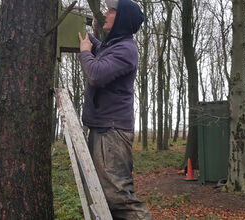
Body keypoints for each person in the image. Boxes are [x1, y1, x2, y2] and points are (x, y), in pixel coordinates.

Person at [78, 0, 152, 219]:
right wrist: (85, 34)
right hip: (104, 128)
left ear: (121, 19)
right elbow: (99, 50)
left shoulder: (126, 49)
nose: (106, 14)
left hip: (111, 133)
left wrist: (84, 52)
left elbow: (96, 74)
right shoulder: (115, 46)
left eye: (111, 11)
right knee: (104, 197)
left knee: (118, 198)